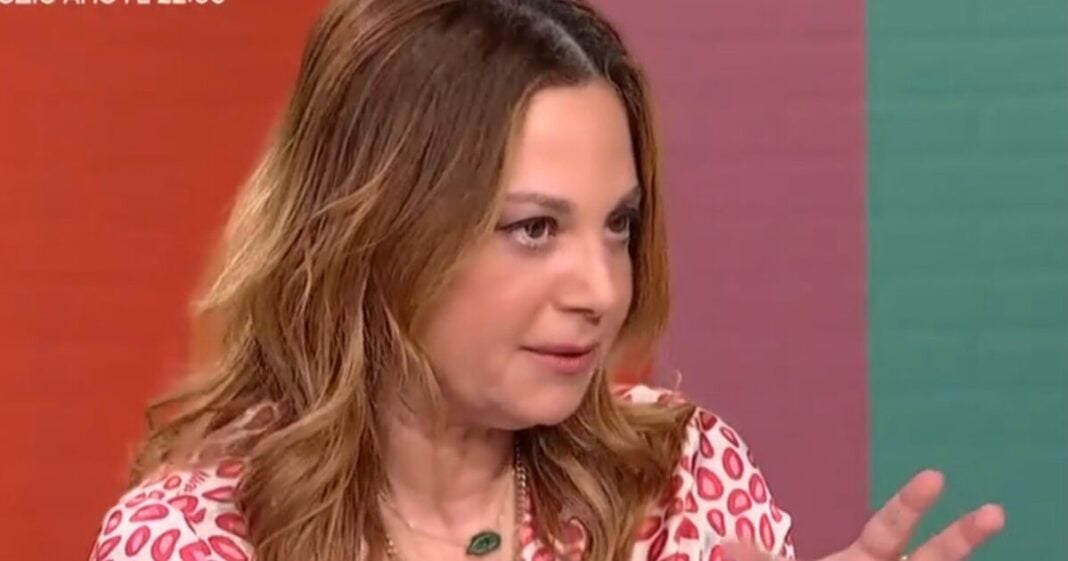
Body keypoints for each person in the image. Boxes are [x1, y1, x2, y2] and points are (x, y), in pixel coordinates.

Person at [87, 1, 1006, 560]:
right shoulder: (192, 537)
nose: (601, 290)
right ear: (378, 234)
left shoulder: (682, 485)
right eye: (534, 228)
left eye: (619, 226)